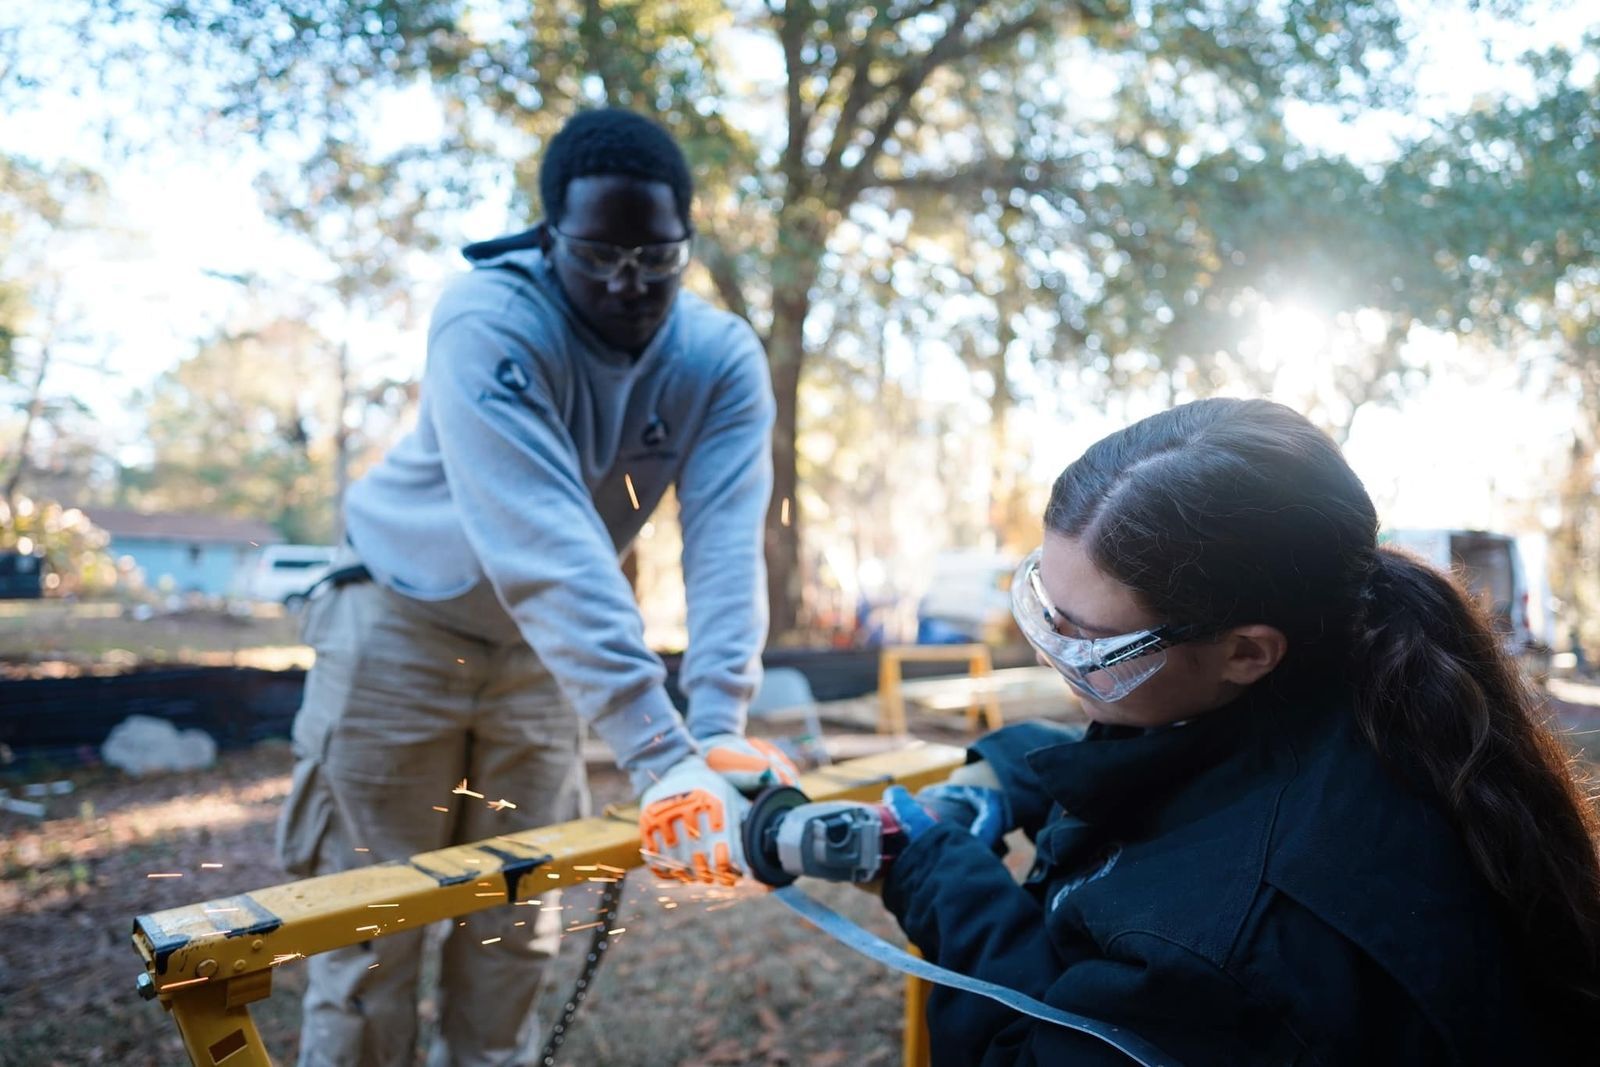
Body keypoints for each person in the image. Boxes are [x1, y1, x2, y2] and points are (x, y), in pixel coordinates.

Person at [276, 108, 796, 1067]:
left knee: (514, 926)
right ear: (546, 234)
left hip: (538, 659)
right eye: (599, 251)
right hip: (401, 628)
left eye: (657, 254)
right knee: (371, 927)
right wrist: (656, 750)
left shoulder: (720, 358)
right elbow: (547, 545)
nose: (629, 280)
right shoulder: (487, 317)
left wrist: (717, 727)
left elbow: (726, 544)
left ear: (688, 240)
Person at [870, 398, 1600, 1064]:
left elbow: (1024, 1049)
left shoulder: (1235, 949)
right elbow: (1167, 768)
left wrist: (935, 872)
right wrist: (1008, 768)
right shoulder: (1351, 700)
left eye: (1086, 641)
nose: (1048, 650)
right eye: (1043, 606)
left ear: (1247, 651)